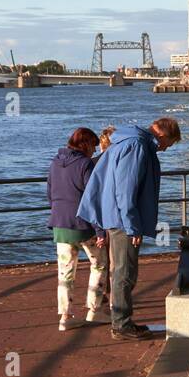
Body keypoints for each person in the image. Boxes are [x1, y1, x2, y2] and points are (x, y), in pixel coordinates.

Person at [77, 117, 181, 340]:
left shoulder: (126, 142)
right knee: (125, 271)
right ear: (162, 134)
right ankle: (122, 324)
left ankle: (121, 322)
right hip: (123, 220)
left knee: (120, 271)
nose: (164, 149)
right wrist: (133, 225)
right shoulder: (137, 146)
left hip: (115, 216)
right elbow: (126, 190)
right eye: (168, 144)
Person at [46, 127, 109, 331]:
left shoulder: (55, 162)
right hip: (84, 225)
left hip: (60, 225)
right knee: (99, 264)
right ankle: (94, 310)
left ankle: (65, 317)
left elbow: (50, 193)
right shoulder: (85, 165)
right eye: (93, 145)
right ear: (85, 144)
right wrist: (100, 231)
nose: (95, 149)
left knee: (65, 272)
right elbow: (92, 199)